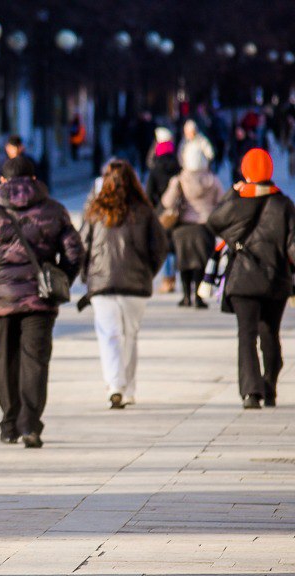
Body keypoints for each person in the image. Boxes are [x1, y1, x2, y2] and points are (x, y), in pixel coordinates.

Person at [0, 156, 82, 448]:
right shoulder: (54, 210)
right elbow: (75, 252)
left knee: (5, 358)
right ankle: (30, 425)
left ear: (2, 181)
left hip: (0, 300)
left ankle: (8, 424)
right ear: (34, 178)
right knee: (35, 361)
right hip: (39, 300)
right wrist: (59, 276)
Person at [207, 149, 295, 409]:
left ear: (245, 171)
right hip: (275, 280)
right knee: (270, 334)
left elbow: (213, 221)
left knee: (246, 335)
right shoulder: (283, 204)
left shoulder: (237, 202)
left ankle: (251, 392)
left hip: (243, 281)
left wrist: (234, 193)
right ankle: (269, 384)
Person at [79, 160, 167, 409]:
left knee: (109, 336)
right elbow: (159, 248)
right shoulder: (144, 211)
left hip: (102, 283)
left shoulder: (95, 211)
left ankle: (115, 385)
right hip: (135, 286)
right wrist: (148, 272)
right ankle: (127, 388)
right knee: (130, 335)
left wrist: (87, 275)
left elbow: (81, 246)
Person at [161, 144, 224, 308]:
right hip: (205, 226)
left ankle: (186, 296)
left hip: (183, 227)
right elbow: (222, 202)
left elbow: (167, 201)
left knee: (184, 263)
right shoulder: (213, 180)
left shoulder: (180, 180)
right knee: (201, 263)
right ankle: (199, 296)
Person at [144, 133, 180, 294]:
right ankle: (174, 276)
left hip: (161, 212)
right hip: (177, 210)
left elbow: (149, 193)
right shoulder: (179, 169)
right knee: (175, 244)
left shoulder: (154, 170)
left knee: (165, 246)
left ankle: (167, 277)